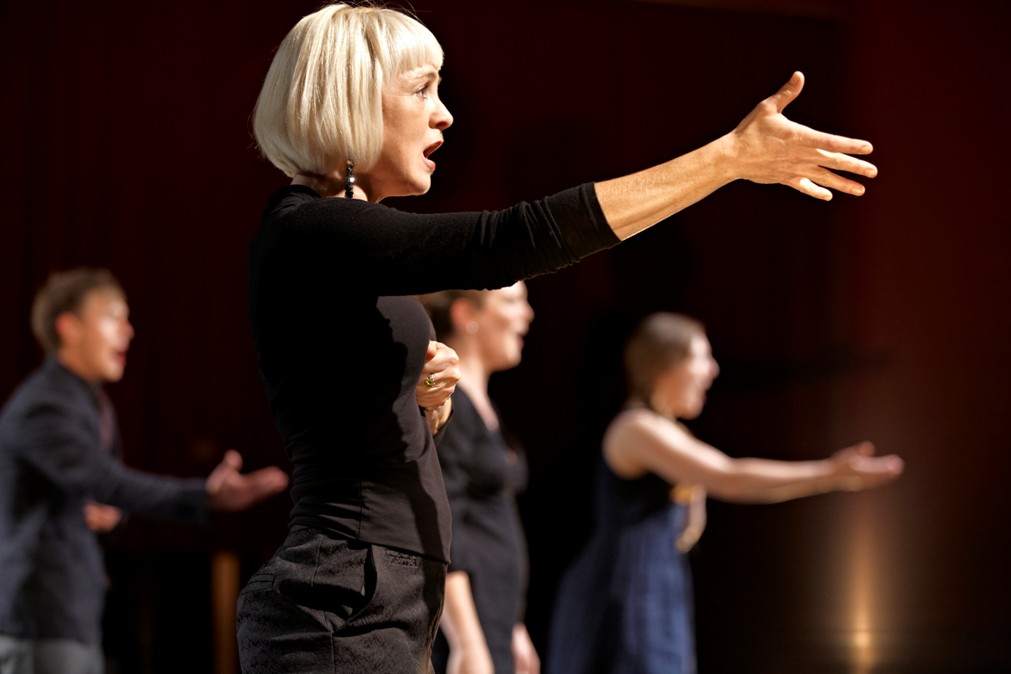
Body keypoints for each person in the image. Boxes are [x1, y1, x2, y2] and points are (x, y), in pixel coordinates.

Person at [236, 3, 880, 671]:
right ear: (349, 100)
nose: (444, 114)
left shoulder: (343, 247)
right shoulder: (309, 230)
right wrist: (727, 159)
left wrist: (421, 401)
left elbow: (350, 423)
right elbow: (510, 241)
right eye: (422, 88)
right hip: (341, 601)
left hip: (382, 599)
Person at [545, 312, 905, 674]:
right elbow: (729, 477)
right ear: (665, 365)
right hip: (623, 587)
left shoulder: (670, 432)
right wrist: (828, 474)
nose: (712, 370)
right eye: (702, 357)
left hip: (657, 581)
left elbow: (692, 523)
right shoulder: (635, 427)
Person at [0, 267, 290, 674]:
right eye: (113, 317)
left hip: (67, 615)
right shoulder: (44, 405)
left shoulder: (86, 400)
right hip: (40, 617)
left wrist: (114, 513)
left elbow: (95, 492)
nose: (129, 331)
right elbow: (105, 480)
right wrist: (204, 496)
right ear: (69, 327)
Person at [419, 283, 539, 674]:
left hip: (494, 618)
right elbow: (444, 524)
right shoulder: (452, 407)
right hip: (466, 626)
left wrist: (513, 624)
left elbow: (491, 517)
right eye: (512, 301)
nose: (527, 314)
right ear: (465, 314)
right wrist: (467, 643)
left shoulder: (485, 407)